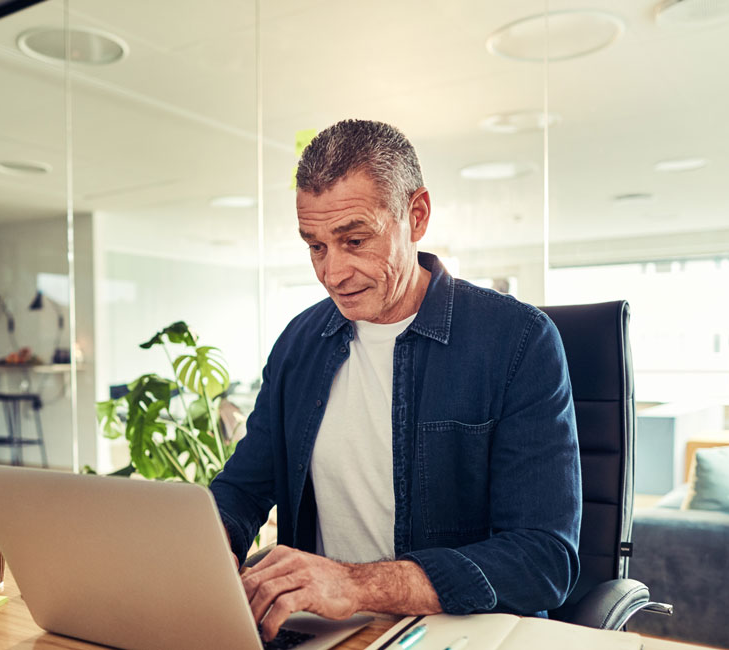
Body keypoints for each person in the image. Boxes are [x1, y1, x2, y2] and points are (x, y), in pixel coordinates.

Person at [209, 119, 581, 642]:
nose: (333, 273)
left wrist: (358, 586)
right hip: (320, 633)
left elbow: (543, 559)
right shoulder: (299, 341)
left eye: (355, 239)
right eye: (315, 246)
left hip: (456, 634)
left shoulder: (518, 341)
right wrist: (209, 545)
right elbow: (244, 487)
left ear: (417, 215)